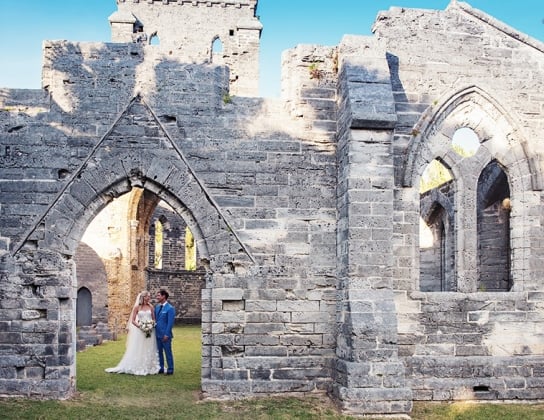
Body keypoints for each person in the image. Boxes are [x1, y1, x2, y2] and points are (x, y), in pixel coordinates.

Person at [105, 290, 160, 375]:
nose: (149, 298)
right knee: (139, 347)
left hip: (150, 331)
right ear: (143, 297)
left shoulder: (151, 307)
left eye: (149, 296)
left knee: (149, 347)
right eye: (148, 296)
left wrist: (151, 325)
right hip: (140, 331)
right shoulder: (137, 307)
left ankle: (149, 365)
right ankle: (138, 365)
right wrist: (140, 326)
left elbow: (154, 319)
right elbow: (133, 320)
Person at [155, 289, 175, 375]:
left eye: (158, 295)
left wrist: (167, 334)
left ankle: (170, 369)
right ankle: (161, 368)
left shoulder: (170, 308)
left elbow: (170, 323)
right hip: (157, 334)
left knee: (168, 352)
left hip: (165, 335)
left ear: (163, 296)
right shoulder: (157, 307)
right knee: (159, 352)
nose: (157, 297)